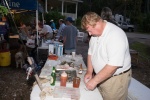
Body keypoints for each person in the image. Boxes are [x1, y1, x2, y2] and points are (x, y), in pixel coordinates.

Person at [81, 12, 131, 100]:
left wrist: (95, 80)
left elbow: (113, 66)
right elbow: (90, 53)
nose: (89, 34)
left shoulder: (115, 35)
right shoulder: (95, 35)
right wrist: (89, 71)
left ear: (97, 23)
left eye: (89, 30)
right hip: (101, 76)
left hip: (115, 80)